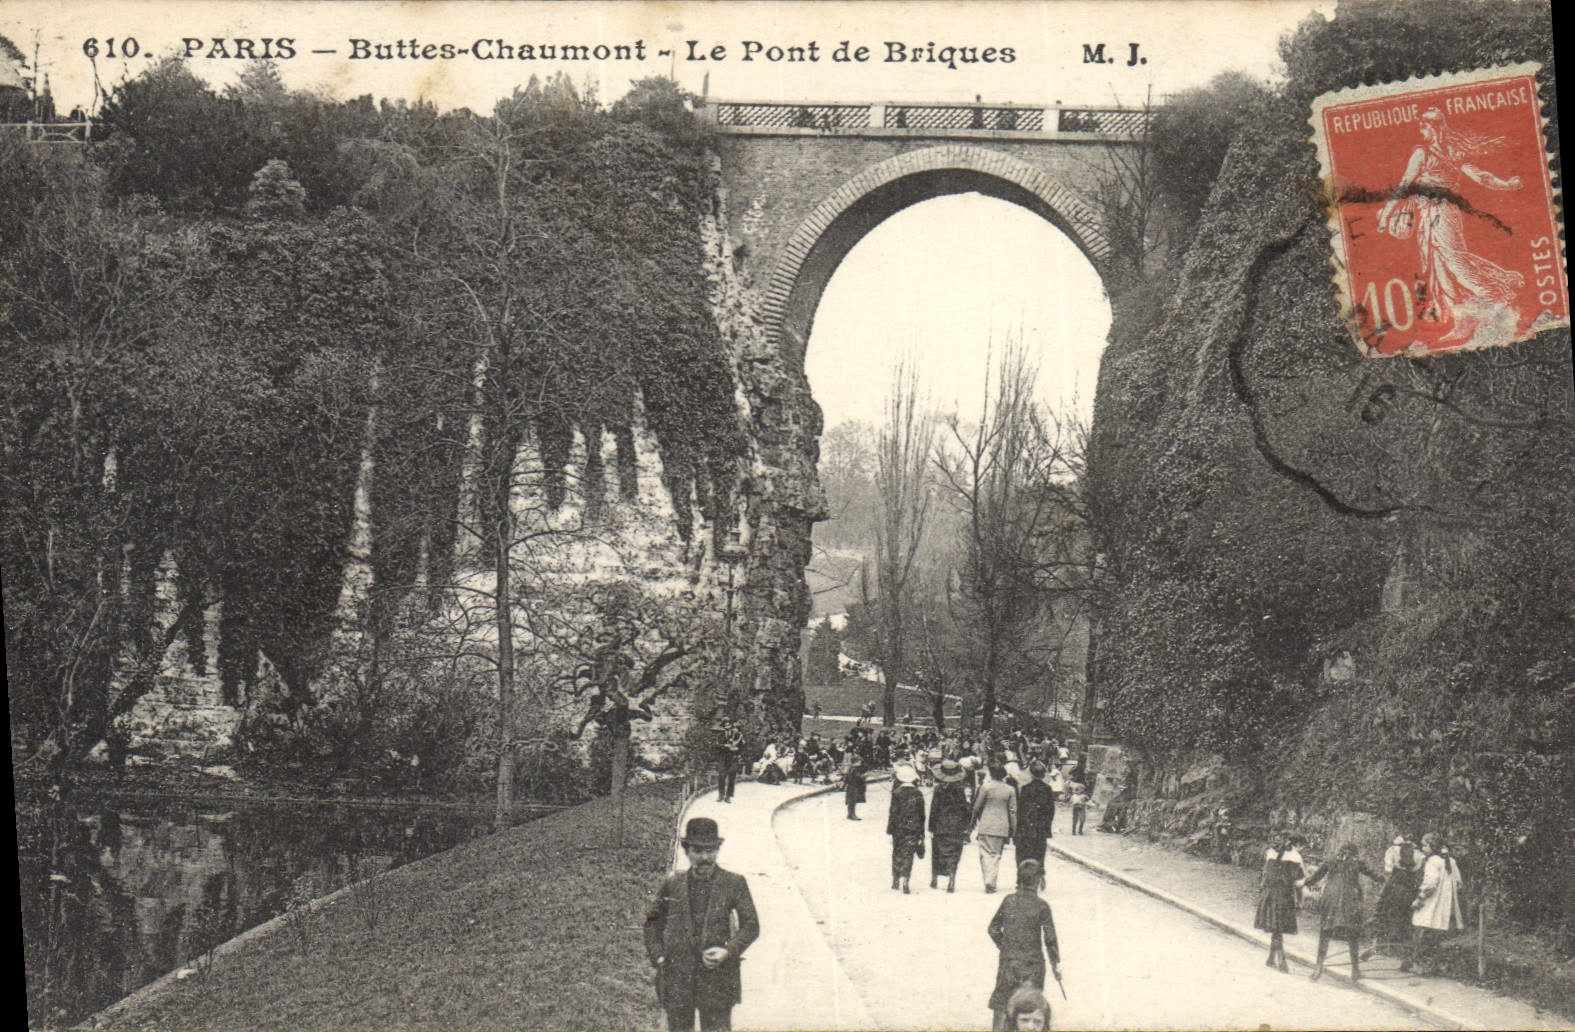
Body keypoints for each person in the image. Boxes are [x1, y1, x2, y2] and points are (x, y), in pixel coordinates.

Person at [1378, 107, 1526, 346]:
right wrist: (1507, 185)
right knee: (1440, 270)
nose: (1421, 131)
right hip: (1435, 214)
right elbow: (1482, 177)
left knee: (1454, 261)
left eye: (1424, 127)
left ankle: (1495, 296)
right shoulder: (1452, 152)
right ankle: (1462, 324)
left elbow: (1405, 184)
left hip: (1441, 214)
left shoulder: (1423, 153)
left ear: (1431, 127)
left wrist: (1386, 215)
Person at [645, 817, 760, 1030]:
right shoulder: (672, 884)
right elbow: (652, 924)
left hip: (717, 978)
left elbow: (751, 925)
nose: (704, 857)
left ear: (718, 849)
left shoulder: (734, 883)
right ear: (687, 851)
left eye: (710, 850)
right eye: (697, 851)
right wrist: (660, 958)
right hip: (678, 978)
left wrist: (727, 951)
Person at [987, 859, 1061, 1031]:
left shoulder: (1008, 901)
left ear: (1018, 879)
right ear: (1039, 881)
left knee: (1001, 1004)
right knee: (1031, 1005)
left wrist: (1006, 946)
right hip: (1033, 965)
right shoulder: (1042, 906)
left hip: (1009, 963)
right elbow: (1050, 939)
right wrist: (1055, 966)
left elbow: (993, 929)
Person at [1299, 842, 1381, 981]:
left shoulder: (1331, 861)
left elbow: (1315, 878)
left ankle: (1318, 969)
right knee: (1353, 934)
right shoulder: (1358, 863)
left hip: (1331, 899)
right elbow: (1375, 875)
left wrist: (1303, 883)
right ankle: (1355, 971)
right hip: (1350, 900)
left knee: (1325, 932)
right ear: (1354, 854)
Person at [1406, 832, 1465, 975]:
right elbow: (1458, 883)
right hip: (1445, 906)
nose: (1423, 848)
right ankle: (1438, 966)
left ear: (1432, 846)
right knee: (1437, 936)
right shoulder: (1451, 861)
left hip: (1431, 903)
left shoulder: (1432, 861)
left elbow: (1430, 883)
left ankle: (1420, 966)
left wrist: (1420, 898)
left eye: (1425, 845)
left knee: (1421, 932)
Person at [1255, 831, 1306, 972]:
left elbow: (1264, 875)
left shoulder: (1270, 852)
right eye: (1302, 847)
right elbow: (1299, 884)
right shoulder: (1296, 857)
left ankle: (1271, 958)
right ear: (1297, 844)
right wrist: (1300, 902)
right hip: (1284, 896)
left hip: (1269, 894)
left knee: (1275, 926)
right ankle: (1282, 961)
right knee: (1278, 928)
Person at [972, 763, 1018, 893]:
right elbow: (1012, 811)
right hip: (1002, 826)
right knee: (996, 855)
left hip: (986, 825)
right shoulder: (1010, 790)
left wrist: (972, 823)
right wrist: (1014, 828)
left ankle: (988, 879)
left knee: (984, 854)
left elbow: (976, 807)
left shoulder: (985, 788)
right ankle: (991, 881)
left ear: (991, 774)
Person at [929, 758, 972, 892]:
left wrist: (930, 827)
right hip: (956, 826)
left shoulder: (938, 789)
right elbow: (964, 809)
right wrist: (966, 826)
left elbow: (934, 809)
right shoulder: (960, 789)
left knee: (937, 852)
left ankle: (935, 878)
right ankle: (952, 878)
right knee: (954, 852)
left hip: (940, 825)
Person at [1374, 835, 1423, 951]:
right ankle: (1403, 947)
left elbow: (1388, 869)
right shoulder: (1419, 853)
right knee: (1406, 915)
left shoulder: (1392, 850)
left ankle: (1383, 945)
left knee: (1384, 910)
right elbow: (1418, 868)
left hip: (1395, 882)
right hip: (1411, 884)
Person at [887, 762, 927, 892]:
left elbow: (892, 812)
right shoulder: (918, 793)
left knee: (897, 851)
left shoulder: (897, 793)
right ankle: (906, 881)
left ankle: (895, 879)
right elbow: (922, 815)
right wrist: (922, 833)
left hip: (898, 828)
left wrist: (890, 829)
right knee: (909, 854)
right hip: (913, 828)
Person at [1016, 760, 1057, 887]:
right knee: (1039, 852)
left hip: (1026, 827)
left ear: (1031, 774)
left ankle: (1021, 879)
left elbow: (1020, 810)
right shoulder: (1047, 789)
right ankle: (1039, 875)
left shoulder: (1025, 789)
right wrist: (1047, 826)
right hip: (1041, 828)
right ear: (1044, 774)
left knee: (1023, 853)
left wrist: (1019, 827)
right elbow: (1051, 810)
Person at [716, 720, 743, 803]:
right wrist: (724, 746)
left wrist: (738, 752)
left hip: (733, 758)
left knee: (732, 777)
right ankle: (721, 795)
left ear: (731, 726)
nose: (727, 727)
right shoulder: (720, 735)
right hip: (723, 757)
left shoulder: (737, 735)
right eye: (725, 725)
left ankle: (728, 796)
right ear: (723, 727)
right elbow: (717, 745)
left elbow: (741, 746)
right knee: (721, 776)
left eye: (729, 725)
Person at [844, 755, 866, 820]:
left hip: (851, 786)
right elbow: (858, 777)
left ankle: (850, 814)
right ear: (856, 762)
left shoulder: (851, 768)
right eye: (859, 762)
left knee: (852, 801)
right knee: (853, 801)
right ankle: (851, 814)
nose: (860, 763)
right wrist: (864, 776)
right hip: (853, 787)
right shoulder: (854, 769)